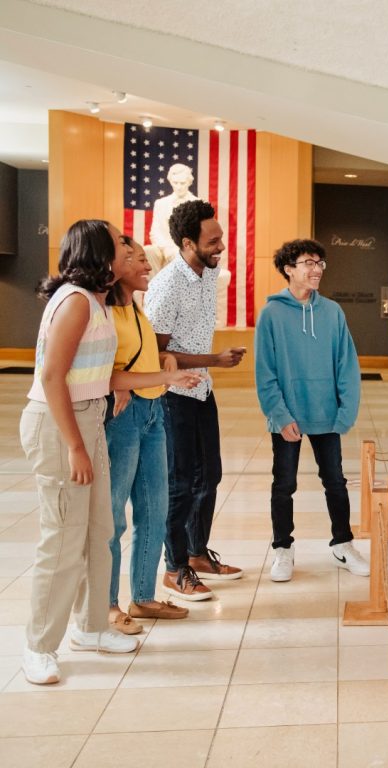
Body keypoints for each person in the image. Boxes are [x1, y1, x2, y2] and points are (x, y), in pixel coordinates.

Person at [20, 220, 137, 684]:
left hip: (89, 418)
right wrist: (74, 446)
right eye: (119, 242)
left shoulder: (98, 301)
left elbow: (99, 376)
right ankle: (38, 647)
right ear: (99, 253)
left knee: (98, 532)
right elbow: (52, 377)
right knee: (63, 541)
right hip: (58, 425)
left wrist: (167, 377)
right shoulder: (74, 301)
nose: (127, 247)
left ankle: (90, 628)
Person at [144, 200, 246, 601]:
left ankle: (197, 553)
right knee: (180, 482)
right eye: (213, 240)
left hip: (201, 389)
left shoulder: (209, 271)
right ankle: (174, 569)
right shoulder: (167, 286)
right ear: (187, 243)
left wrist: (209, 367)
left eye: (221, 237)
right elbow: (156, 353)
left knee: (210, 474)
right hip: (173, 394)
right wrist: (215, 360)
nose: (221, 246)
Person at [255, 238, 369, 582]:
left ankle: (343, 545)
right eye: (309, 263)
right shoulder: (271, 314)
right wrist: (280, 416)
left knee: (335, 481)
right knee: (284, 484)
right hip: (287, 417)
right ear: (289, 269)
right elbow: (265, 372)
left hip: (326, 415)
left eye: (320, 263)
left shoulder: (333, 312)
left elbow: (347, 364)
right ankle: (283, 549)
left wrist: (345, 412)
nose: (317, 269)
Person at [105, 240, 202, 633]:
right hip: (123, 419)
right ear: (116, 265)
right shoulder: (103, 311)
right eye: (139, 260)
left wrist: (166, 361)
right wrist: (165, 375)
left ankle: (143, 597)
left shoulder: (136, 308)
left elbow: (142, 358)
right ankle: (108, 605)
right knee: (113, 517)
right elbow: (106, 374)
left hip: (152, 414)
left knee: (154, 509)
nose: (148, 266)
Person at [149, 164, 198, 267]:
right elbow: (155, 233)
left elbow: (201, 234)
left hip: (190, 250)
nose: (179, 187)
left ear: (189, 182)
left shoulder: (198, 204)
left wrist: (184, 250)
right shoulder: (161, 204)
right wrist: (167, 249)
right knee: (149, 251)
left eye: (182, 183)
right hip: (166, 251)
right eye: (175, 183)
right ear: (170, 182)